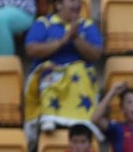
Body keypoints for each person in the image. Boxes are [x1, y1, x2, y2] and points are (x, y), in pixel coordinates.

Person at [22, 0, 102, 139]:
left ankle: (82, 120)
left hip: (78, 71)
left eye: (79, 1)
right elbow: (32, 50)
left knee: (78, 70)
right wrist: (62, 41)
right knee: (51, 71)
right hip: (50, 69)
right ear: (59, 5)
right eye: (72, 1)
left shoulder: (87, 25)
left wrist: (75, 37)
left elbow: (95, 54)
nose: (77, 4)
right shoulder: (44, 23)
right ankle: (49, 116)